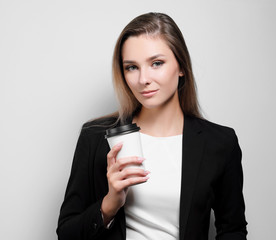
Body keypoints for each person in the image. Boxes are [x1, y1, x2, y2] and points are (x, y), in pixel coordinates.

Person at [57, 12, 247, 240]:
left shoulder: (220, 143)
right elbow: (66, 233)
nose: (143, 79)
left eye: (156, 63)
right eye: (131, 67)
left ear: (181, 66)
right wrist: (109, 205)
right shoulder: (95, 136)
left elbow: (233, 230)